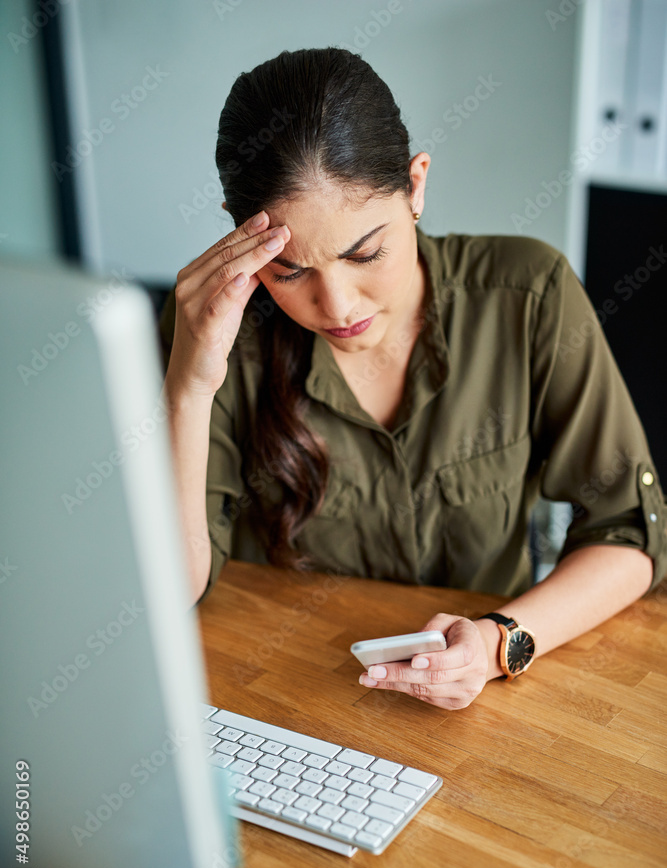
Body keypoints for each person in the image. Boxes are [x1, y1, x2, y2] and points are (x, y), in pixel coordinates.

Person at [159, 47, 666, 711]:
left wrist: (497, 643)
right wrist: (188, 384)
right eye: (289, 272)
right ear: (238, 233)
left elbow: (628, 531)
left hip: (493, 700)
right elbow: (172, 589)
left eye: (365, 252)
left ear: (416, 184)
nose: (337, 307)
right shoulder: (217, 328)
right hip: (289, 696)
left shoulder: (527, 295)